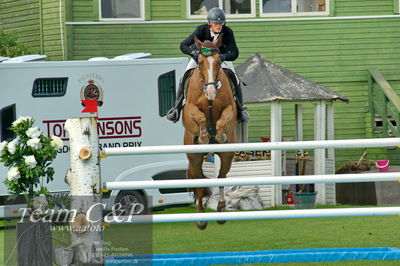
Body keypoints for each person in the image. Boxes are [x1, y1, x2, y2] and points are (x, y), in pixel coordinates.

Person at [166, 7, 249, 123]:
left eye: (221, 23)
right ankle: (176, 109)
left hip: (219, 60)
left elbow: (235, 52)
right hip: (200, 59)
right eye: (216, 23)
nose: (219, 26)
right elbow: (183, 45)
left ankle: (240, 110)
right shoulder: (201, 30)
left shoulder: (228, 32)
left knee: (236, 79)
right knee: (184, 77)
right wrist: (193, 52)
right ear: (209, 23)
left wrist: (223, 57)